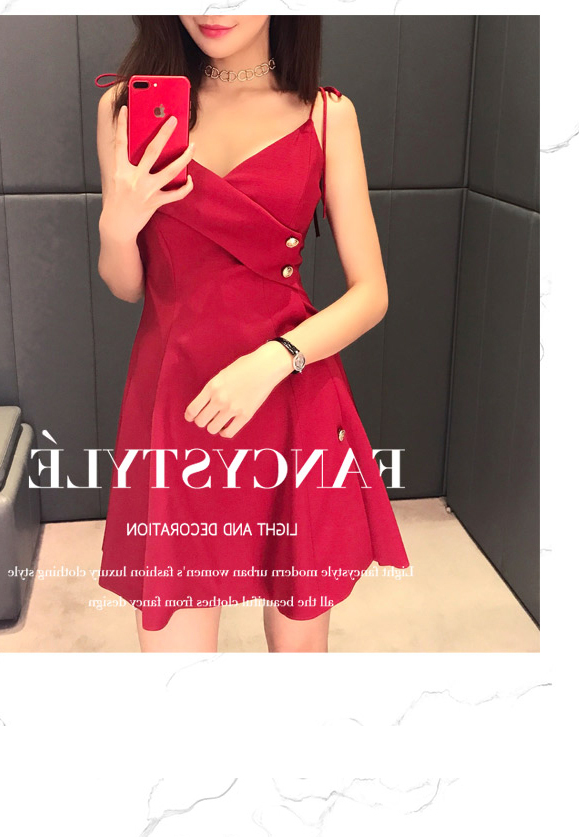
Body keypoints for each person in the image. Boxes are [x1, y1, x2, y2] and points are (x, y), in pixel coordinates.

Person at [93, 15, 410, 653]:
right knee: (175, 658)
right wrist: (117, 226)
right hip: (177, 400)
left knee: (299, 652)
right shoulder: (125, 108)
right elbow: (128, 286)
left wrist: (275, 359)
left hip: (287, 391)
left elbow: (371, 292)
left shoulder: (327, 115)